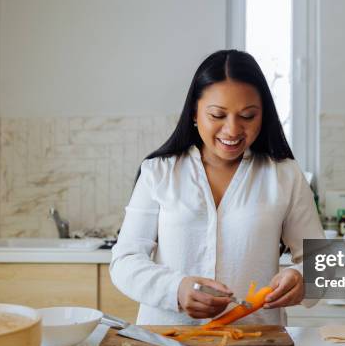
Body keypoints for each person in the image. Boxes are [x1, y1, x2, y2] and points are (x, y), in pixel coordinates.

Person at [110, 49, 324, 325]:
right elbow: (124, 261)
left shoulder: (284, 175)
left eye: (247, 116)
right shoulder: (158, 172)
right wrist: (176, 289)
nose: (232, 130)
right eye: (217, 115)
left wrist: (302, 279)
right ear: (195, 114)